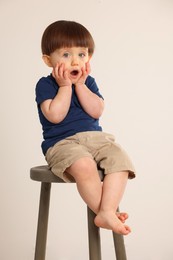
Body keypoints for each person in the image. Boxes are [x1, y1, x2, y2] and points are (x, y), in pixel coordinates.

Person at [35, 20, 135, 235]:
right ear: (48, 60)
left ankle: (106, 211)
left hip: (96, 140)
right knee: (85, 166)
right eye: (65, 55)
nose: (74, 61)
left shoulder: (88, 82)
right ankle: (106, 213)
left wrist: (79, 85)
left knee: (121, 160)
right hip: (62, 144)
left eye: (81, 55)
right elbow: (55, 115)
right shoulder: (45, 85)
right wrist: (65, 87)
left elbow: (97, 110)